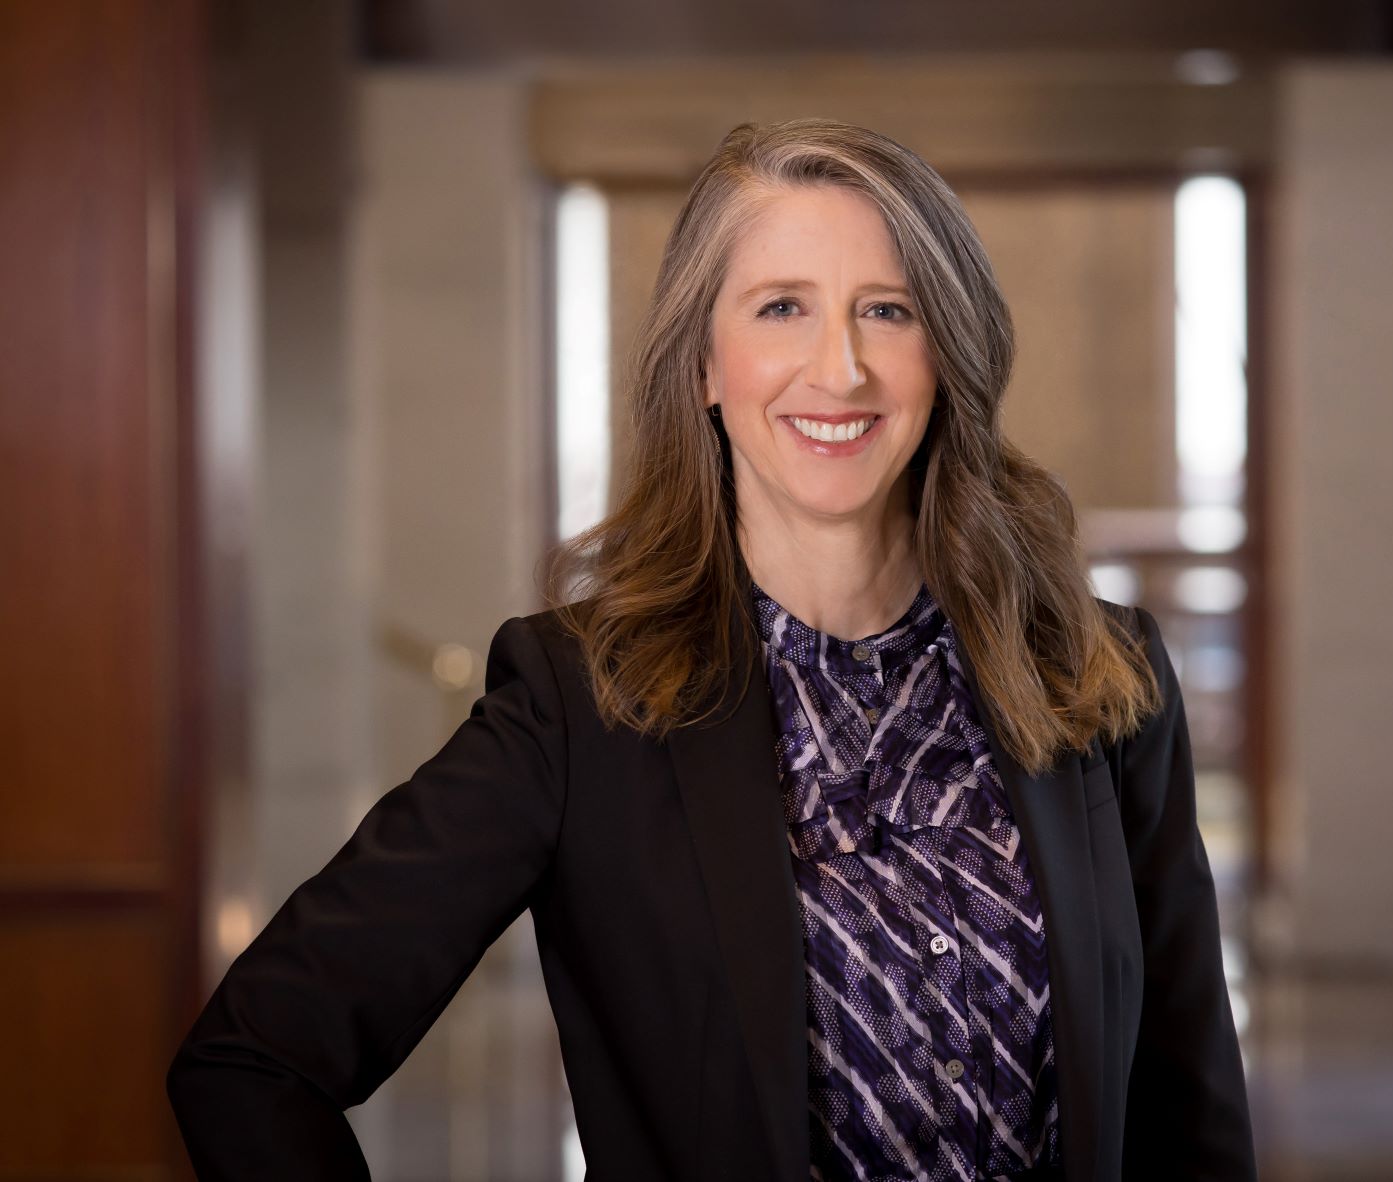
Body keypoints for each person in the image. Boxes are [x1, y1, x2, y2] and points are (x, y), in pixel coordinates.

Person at [167, 117, 1256, 1182]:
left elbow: (1189, 1109)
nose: (841, 368)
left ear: (950, 355)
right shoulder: (577, 706)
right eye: (782, 308)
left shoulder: (1099, 676)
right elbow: (253, 1064)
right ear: (704, 365)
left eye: (889, 309)